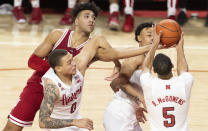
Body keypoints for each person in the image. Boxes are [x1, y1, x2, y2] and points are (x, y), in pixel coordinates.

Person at [3, 2, 151, 131]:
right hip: (38, 86)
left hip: (64, 99)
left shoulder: (92, 48)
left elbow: (116, 52)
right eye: (87, 16)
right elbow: (33, 61)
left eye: (93, 18)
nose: (91, 20)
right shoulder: (58, 35)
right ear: (76, 21)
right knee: (13, 126)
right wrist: (57, 72)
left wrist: (149, 48)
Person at [120, 29, 194, 130]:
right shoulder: (184, 83)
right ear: (172, 66)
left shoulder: (149, 84)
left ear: (154, 70)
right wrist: (179, 47)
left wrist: (154, 44)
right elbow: (183, 70)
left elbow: (146, 66)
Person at [103, 22, 154, 131]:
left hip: (128, 112)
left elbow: (114, 84)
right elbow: (122, 82)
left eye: (155, 36)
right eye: (149, 35)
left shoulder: (146, 59)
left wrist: (134, 105)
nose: (152, 38)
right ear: (139, 37)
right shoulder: (137, 56)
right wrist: (141, 97)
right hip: (120, 114)